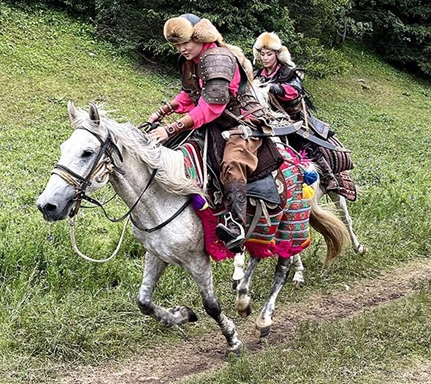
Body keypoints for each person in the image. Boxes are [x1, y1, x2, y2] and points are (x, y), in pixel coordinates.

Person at [147, 14, 273, 252]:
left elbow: (211, 106)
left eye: (186, 43)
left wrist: (171, 128)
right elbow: (189, 95)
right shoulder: (191, 59)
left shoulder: (217, 58)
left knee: (232, 163)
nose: (182, 49)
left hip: (241, 121)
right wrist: (161, 112)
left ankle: (236, 224)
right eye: (177, 45)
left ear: (199, 37)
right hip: (214, 122)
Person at [252, 32, 352, 196]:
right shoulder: (257, 76)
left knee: (302, 142)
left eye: (269, 54)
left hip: (291, 117)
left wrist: (273, 88)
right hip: (267, 119)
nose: (265, 58)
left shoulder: (289, 72)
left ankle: (328, 177)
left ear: (277, 54)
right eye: (262, 54)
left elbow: (294, 91)